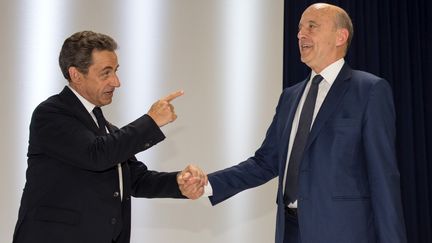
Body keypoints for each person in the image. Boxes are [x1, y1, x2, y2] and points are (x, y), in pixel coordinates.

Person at [205, 3, 407, 243]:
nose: (301, 34)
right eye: (300, 28)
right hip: (290, 232)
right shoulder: (290, 96)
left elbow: (382, 179)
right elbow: (264, 163)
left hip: (343, 233)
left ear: (340, 36)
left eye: (312, 26)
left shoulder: (370, 91)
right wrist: (208, 183)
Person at [13, 31, 206, 243]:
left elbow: (136, 179)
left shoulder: (107, 129)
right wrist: (151, 121)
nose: (116, 82)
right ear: (76, 74)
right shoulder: (50, 114)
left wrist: (179, 182)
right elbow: (96, 154)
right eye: (106, 73)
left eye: (115, 71)